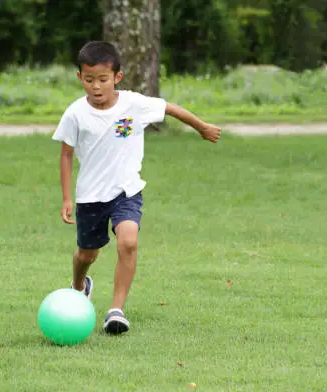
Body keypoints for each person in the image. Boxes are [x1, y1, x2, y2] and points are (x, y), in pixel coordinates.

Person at [51, 40, 221, 335]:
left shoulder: (133, 104)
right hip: (90, 195)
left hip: (126, 191)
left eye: (103, 79)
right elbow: (66, 154)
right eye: (89, 80)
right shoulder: (75, 113)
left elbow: (170, 108)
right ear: (80, 77)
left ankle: (116, 310)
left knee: (128, 241)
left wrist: (201, 127)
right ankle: (79, 284)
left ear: (117, 77)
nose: (96, 87)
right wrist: (67, 198)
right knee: (87, 254)